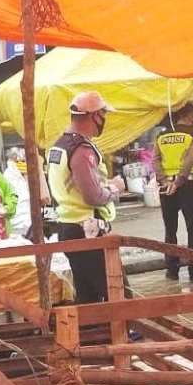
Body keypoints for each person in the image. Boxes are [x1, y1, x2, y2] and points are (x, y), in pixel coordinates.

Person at [47, 91, 126, 304]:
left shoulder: (59, 146)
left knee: (88, 297)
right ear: (95, 116)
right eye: (103, 115)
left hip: (69, 226)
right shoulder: (81, 150)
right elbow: (92, 195)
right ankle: (125, 336)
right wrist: (115, 188)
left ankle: (92, 337)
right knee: (118, 294)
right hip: (87, 229)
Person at [152, 104, 193, 281]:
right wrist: (179, 181)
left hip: (166, 187)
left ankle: (172, 270)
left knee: (170, 230)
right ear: (190, 116)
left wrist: (165, 181)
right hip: (186, 185)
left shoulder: (161, 135)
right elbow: (190, 160)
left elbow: (155, 160)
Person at [3, 147, 52, 237]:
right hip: (25, 228)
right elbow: (45, 199)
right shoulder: (18, 175)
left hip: (17, 229)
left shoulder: (8, 174)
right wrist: (40, 168)